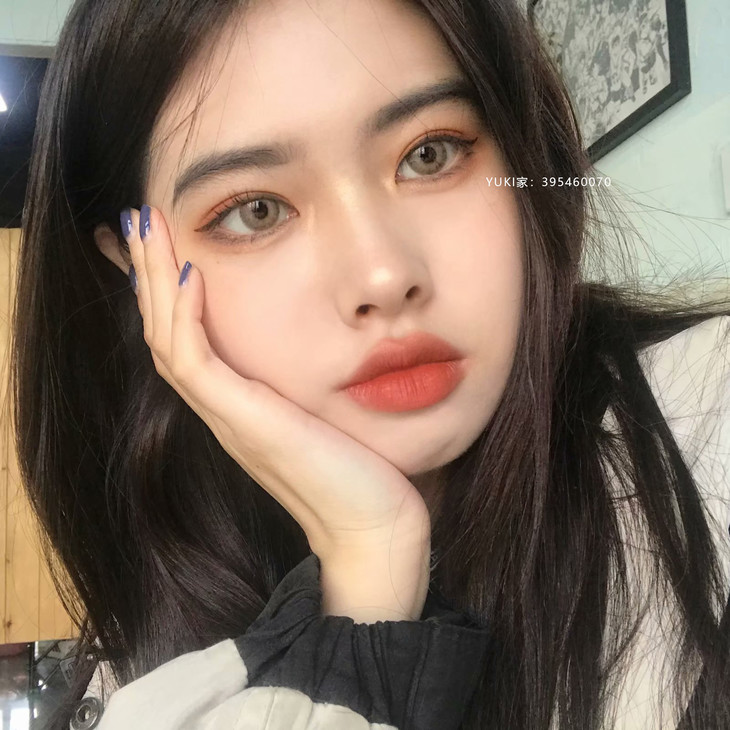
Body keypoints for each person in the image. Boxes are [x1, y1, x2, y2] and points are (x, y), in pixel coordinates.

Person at [9, 0, 730, 727]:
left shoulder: (710, 420)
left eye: (430, 153)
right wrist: (365, 577)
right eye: (256, 211)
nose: (383, 276)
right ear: (137, 265)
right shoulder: (149, 663)